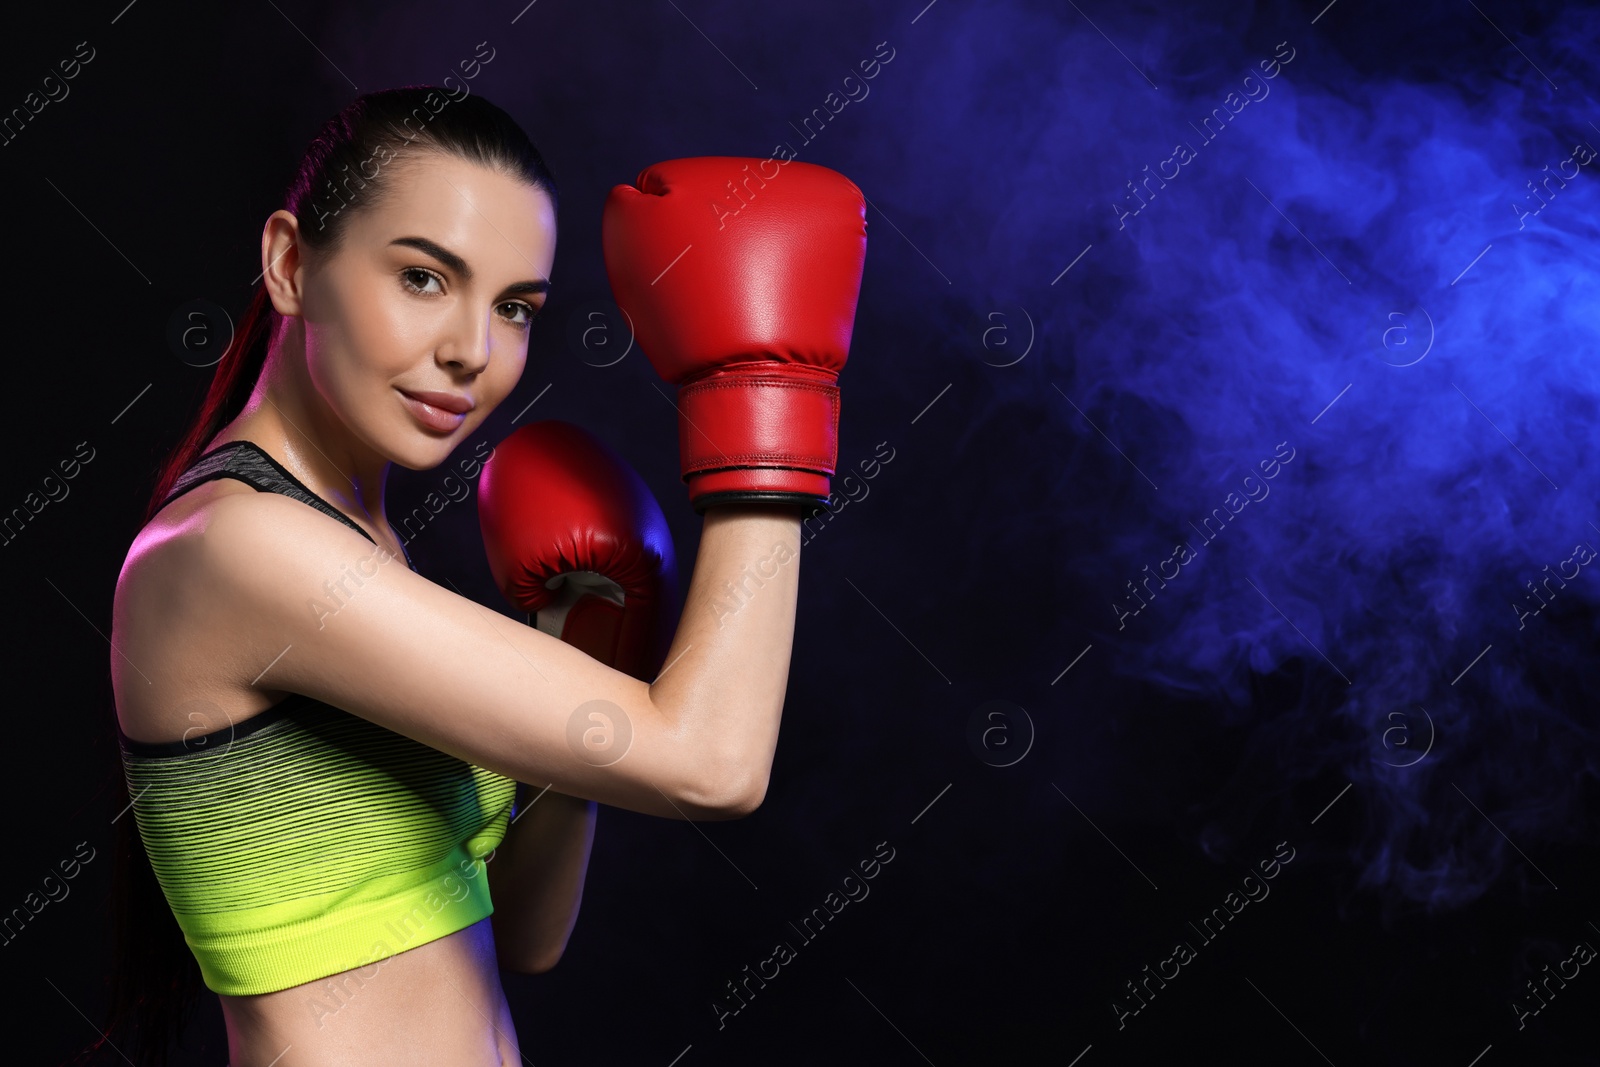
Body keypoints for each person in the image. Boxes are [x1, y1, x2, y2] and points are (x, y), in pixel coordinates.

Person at [75, 85, 867, 1066]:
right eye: (421, 277)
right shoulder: (235, 549)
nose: (471, 351)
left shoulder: (356, 539)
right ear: (289, 263)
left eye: (515, 306)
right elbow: (714, 765)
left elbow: (527, 932)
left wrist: (585, 641)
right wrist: (765, 399)